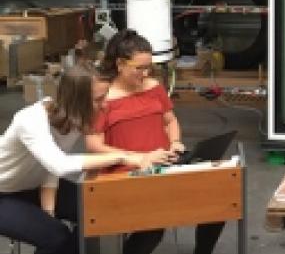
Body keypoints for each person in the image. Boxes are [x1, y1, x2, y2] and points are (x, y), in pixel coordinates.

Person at [0, 64, 174, 254]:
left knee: (100, 212)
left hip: (31, 185)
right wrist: (123, 158)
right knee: (57, 237)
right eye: (99, 99)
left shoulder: (75, 120)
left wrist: (49, 210)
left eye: (105, 96)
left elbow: (49, 169)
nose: (105, 104)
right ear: (77, 101)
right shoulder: (31, 120)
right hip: (3, 194)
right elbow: (58, 164)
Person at [86, 29, 225, 254]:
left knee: (218, 201)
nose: (145, 73)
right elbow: (94, 145)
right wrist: (140, 157)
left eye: (148, 67)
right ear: (120, 64)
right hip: (126, 173)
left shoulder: (153, 87)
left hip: (164, 165)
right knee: (153, 226)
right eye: (139, 68)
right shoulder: (103, 97)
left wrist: (176, 142)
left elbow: (170, 121)